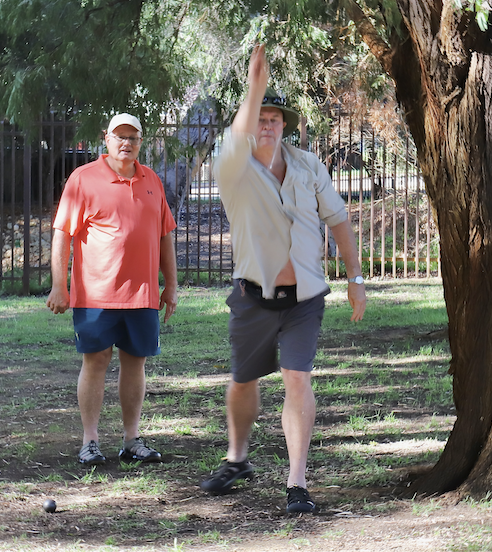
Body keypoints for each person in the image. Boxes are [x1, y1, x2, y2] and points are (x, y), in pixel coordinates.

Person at [200, 45, 366, 513]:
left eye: (275, 118)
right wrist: (254, 87)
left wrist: (355, 277)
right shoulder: (233, 168)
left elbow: (338, 220)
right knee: (243, 380)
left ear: (285, 126)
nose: (267, 125)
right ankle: (237, 458)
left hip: (305, 298)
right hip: (252, 295)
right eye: (260, 117)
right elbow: (238, 135)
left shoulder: (308, 166)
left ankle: (297, 482)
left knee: (297, 377)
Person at [46, 113, 178, 466]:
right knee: (96, 361)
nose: (126, 143)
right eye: (120, 136)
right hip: (95, 294)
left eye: (133, 137)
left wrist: (171, 285)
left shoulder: (152, 180)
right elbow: (62, 233)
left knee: (136, 362)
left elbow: (165, 235)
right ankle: (90, 441)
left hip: (142, 294)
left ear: (141, 142)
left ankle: (132, 440)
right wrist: (59, 286)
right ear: (106, 138)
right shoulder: (83, 178)